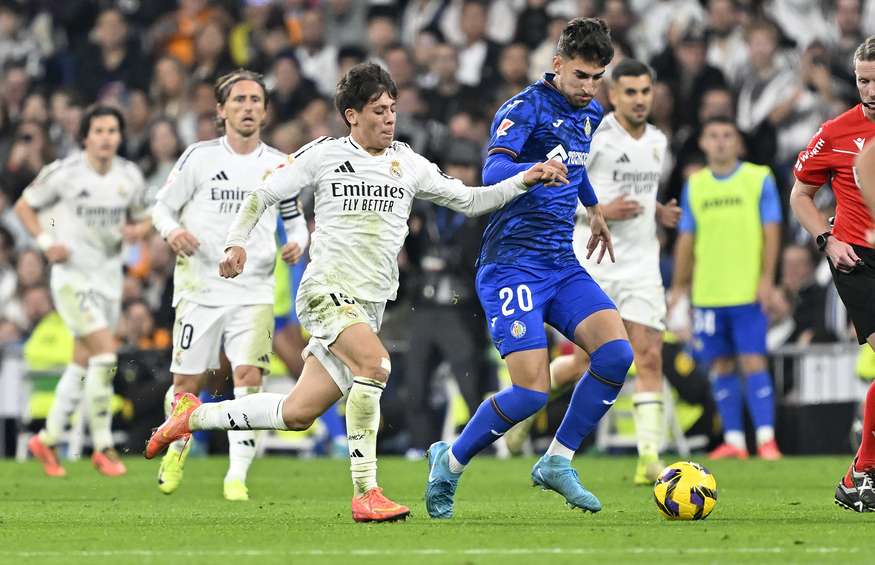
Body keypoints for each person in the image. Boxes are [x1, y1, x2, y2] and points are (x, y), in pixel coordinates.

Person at [144, 62, 568, 523]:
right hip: (325, 292)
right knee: (376, 363)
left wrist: (525, 178)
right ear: (351, 114)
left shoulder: (407, 162)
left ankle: (192, 417)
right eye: (379, 111)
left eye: (392, 110)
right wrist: (236, 242)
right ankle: (366, 491)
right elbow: (262, 194)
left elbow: (468, 200)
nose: (390, 119)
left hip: (367, 305)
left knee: (297, 412)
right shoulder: (324, 155)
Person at [425, 17, 634, 519]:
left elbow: (576, 164)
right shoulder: (522, 108)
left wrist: (595, 208)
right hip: (511, 267)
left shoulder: (591, 112)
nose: (589, 88)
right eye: (581, 75)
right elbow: (492, 169)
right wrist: (533, 171)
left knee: (615, 356)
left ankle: (557, 461)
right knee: (531, 393)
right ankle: (448, 463)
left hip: (560, 262)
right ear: (557, 64)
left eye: (597, 77)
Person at [503, 59, 682, 486]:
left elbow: (639, 192)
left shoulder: (658, 140)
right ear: (614, 95)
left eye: (646, 91)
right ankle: (529, 405)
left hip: (641, 263)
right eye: (630, 92)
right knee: (586, 362)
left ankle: (650, 459)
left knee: (649, 353)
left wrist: (656, 210)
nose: (640, 100)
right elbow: (571, 188)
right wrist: (600, 212)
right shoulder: (595, 130)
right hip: (593, 258)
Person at [149, 69, 309, 502]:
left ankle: (237, 475)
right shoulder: (198, 157)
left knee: (248, 377)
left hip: (253, 289)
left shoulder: (280, 164)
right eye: (238, 100)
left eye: (256, 100)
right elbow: (161, 208)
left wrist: (297, 242)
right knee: (187, 385)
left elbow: (296, 223)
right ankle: (175, 449)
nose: (248, 107)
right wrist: (171, 232)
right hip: (200, 286)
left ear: (265, 109)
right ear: (220, 111)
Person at [14, 104, 152, 477]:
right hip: (72, 278)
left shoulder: (130, 176)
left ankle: (46, 438)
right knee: (106, 355)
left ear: (120, 137)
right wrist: (46, 241)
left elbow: (146, 217)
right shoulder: (66, 173)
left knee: (81, 362)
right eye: (99, 131)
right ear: (85, 138)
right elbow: (24, 205)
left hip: (108, 279)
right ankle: (104, 446)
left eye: (112, 131)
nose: (106, 138)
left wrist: (139, 232)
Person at [789, 35, 875, 513]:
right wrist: (827, 240)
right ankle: (859, 472)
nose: (871, 90)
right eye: (864, 81)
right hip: (858, 260)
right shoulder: (837, 132)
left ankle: (860, 473)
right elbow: (800, 194)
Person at [669, 116, 782, 462]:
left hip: (747, 290)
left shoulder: (758, 178)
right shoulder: (695, 185)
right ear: (702, 143)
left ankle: (766, 440)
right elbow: (686, 239)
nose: (720, 142)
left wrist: (767, 280)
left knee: (753, 360)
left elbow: (772, 230)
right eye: (713, 136)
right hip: (708, 292)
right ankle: (734, 441)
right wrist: (678, 287)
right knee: (721, 365)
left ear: (738, 143)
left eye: (727, 136)